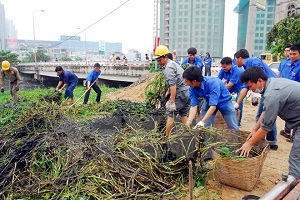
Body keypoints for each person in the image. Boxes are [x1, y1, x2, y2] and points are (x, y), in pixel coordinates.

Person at [237, 66, 300, 181]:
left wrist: (250, 143)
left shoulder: (272, 94)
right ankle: (294, 177)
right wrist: (254, 129)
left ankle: (293, 185)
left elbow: (266, 127)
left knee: (296, 155)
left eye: (251, 86)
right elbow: (265, 112)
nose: (250, 90)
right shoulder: (271, 84)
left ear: (260, 81)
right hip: (297, 119)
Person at [234, 48, 278, 150]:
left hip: (272, 90)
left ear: (239, 58)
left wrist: (255, 92)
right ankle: (270, 141)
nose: (235, 61)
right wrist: (237, 103)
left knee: (264, 116)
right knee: (266, 114)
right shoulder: (247, 68)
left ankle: (268, 142)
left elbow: (259, 74)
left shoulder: (252, 61)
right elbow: (245, 87)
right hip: (268, 90)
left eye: (235, 59)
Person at [183, 66, 239, 130]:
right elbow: (193, 106)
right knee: (206, 126)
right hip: (209, 101)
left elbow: (213, 106)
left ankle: (235, 138)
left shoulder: (212, 83)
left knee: (232, 126)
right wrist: (188, 122)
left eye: (186, 81)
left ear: (194, 81)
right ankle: (208, 139)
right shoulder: (192, 88)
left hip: (224, 101)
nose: (186, 83)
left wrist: (202, 121)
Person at [153, 45, 190, 136]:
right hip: (186, 92)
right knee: (183, 113)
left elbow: (173, 85)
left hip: (180, 92)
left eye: (159, 60)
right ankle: (189, 134)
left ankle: (167, 139)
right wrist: (168, 91)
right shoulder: (172, 64)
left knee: (170, 113)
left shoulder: (169, 67)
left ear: (165, 57)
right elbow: (173, 83)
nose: (158, 62)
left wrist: (172, 101)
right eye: (157, 60)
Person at [278, 44, 300, 142]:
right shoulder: (288, 64)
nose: (291, 56)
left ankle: (294, 137)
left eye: (294, 54)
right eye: (290, 54)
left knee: (296, 116)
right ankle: (288, 132)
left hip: (297, 96)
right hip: (287, 94)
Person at [218, 57, 244, 126]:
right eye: (222, 67)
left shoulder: (237, 71)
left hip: (240, 86)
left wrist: (221, 88)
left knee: (239, 103)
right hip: (230, 86)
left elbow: (229, 85)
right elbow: (217, 81)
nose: (223, 69)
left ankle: (237, 123)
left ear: (230, 65)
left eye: (225, 67)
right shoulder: (223, 70)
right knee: (222, 97)